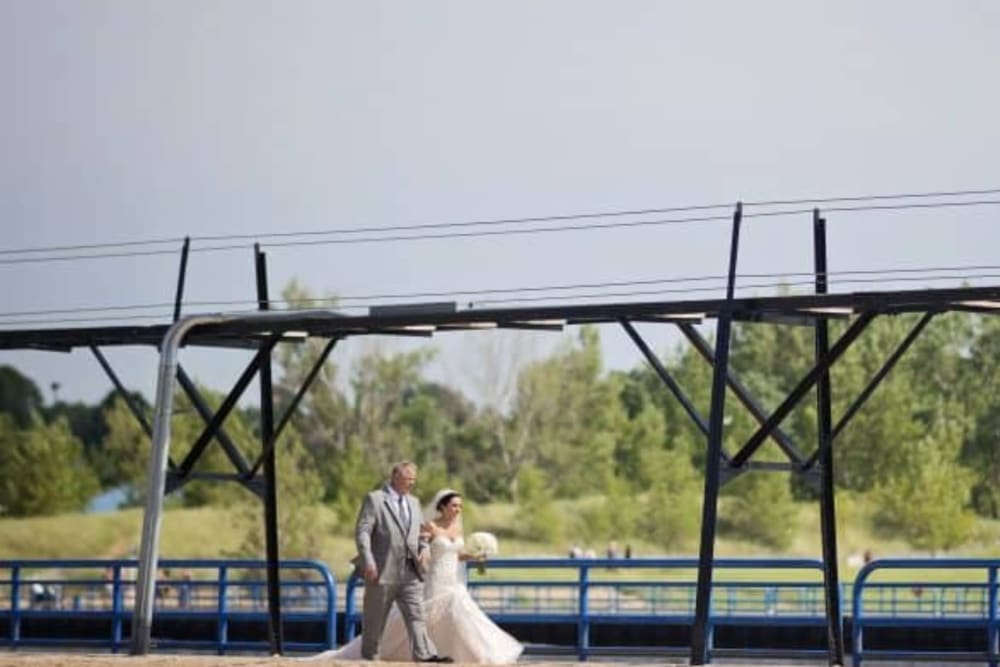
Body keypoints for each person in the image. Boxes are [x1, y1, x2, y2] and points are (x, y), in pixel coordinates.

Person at [310, 488, 522, 664]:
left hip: (452, 580)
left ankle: (473, 654)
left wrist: (476, 557)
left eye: (460, 506)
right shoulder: (430, 526)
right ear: (442, 506)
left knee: (461, 612)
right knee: (421, 616)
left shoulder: (458, 527)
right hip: (434, 578)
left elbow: (456, 554)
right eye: (454, 505)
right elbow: (415, 547)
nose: (458, 509)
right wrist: (421, 554)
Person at [353, 461, 450, 663]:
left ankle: (424, 655)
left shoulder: (414, 502)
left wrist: (423, 548)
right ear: (395, 476)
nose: (412, 483)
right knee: (375, 620)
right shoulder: (375, 499)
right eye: (408, 479)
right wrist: (368, 559)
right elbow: (363, 531)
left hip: (410, 571)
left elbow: (421, 533)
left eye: (414, 479)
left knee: (417, 615)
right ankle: (370, 658)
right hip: (381, 570)